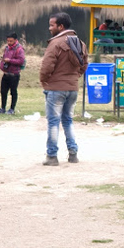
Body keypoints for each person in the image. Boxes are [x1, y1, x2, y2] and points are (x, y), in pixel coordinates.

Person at [40, 12, 88, 166]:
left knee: (53, 122)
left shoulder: (55, 43)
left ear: (61, 26)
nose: (49, 28)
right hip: (72, 88)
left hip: (56, 88)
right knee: (68, 120)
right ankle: (73, 154)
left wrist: (44, 80)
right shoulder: (80, 43)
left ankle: (52, 156)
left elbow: (46, 66)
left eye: (52, 25)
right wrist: (75, 77)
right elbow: (85, 65)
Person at [0, 33, 25, 115]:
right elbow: (4, 58)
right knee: (3, 91)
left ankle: (12, 109)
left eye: (11, 41)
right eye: (8, 41)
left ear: (15, 40)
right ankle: (3, 108)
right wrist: (2, 65)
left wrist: (10, 61)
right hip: (6, 73)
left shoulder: (19, 49)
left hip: (14, 74)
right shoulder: (7, 48)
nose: (9, 42)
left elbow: (21, 61)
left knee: (13, 91)